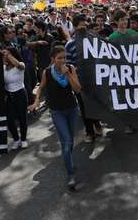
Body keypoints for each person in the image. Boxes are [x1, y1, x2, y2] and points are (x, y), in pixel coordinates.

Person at [29, 46, 83, 191]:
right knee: (66, 143)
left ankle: (68, 160)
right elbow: (40, 88)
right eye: (59, 58)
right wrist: (36, 101)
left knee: (70, 141)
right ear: (53, 59)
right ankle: (71, 173)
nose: (62, 60)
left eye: (64, 57)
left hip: (71, 109)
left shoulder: (70, 68)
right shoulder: (47, 72)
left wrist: (69, 75)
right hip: (57, 112)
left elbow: (77, 89)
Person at [66, 14, 102, 142]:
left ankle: (97, 122)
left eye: (84, 25)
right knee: (83, 106)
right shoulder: (70, 45)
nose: (83, 27)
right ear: (75, 27)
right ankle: (89, 132)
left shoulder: (93, 39)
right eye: (80, 26)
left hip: (93, 79)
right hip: (80, 82)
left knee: (95, 102)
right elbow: (69, 64)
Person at [2, 47, 29, 149]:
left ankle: (23, 139)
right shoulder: (3, 68)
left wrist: (8, 54)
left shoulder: (21, 65)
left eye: (8, 54)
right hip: (9, 96)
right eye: (5, 55)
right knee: (9, 119)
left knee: (22, 118)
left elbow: (18, 65)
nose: (5, 56)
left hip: (20, 94)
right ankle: (16, 139)